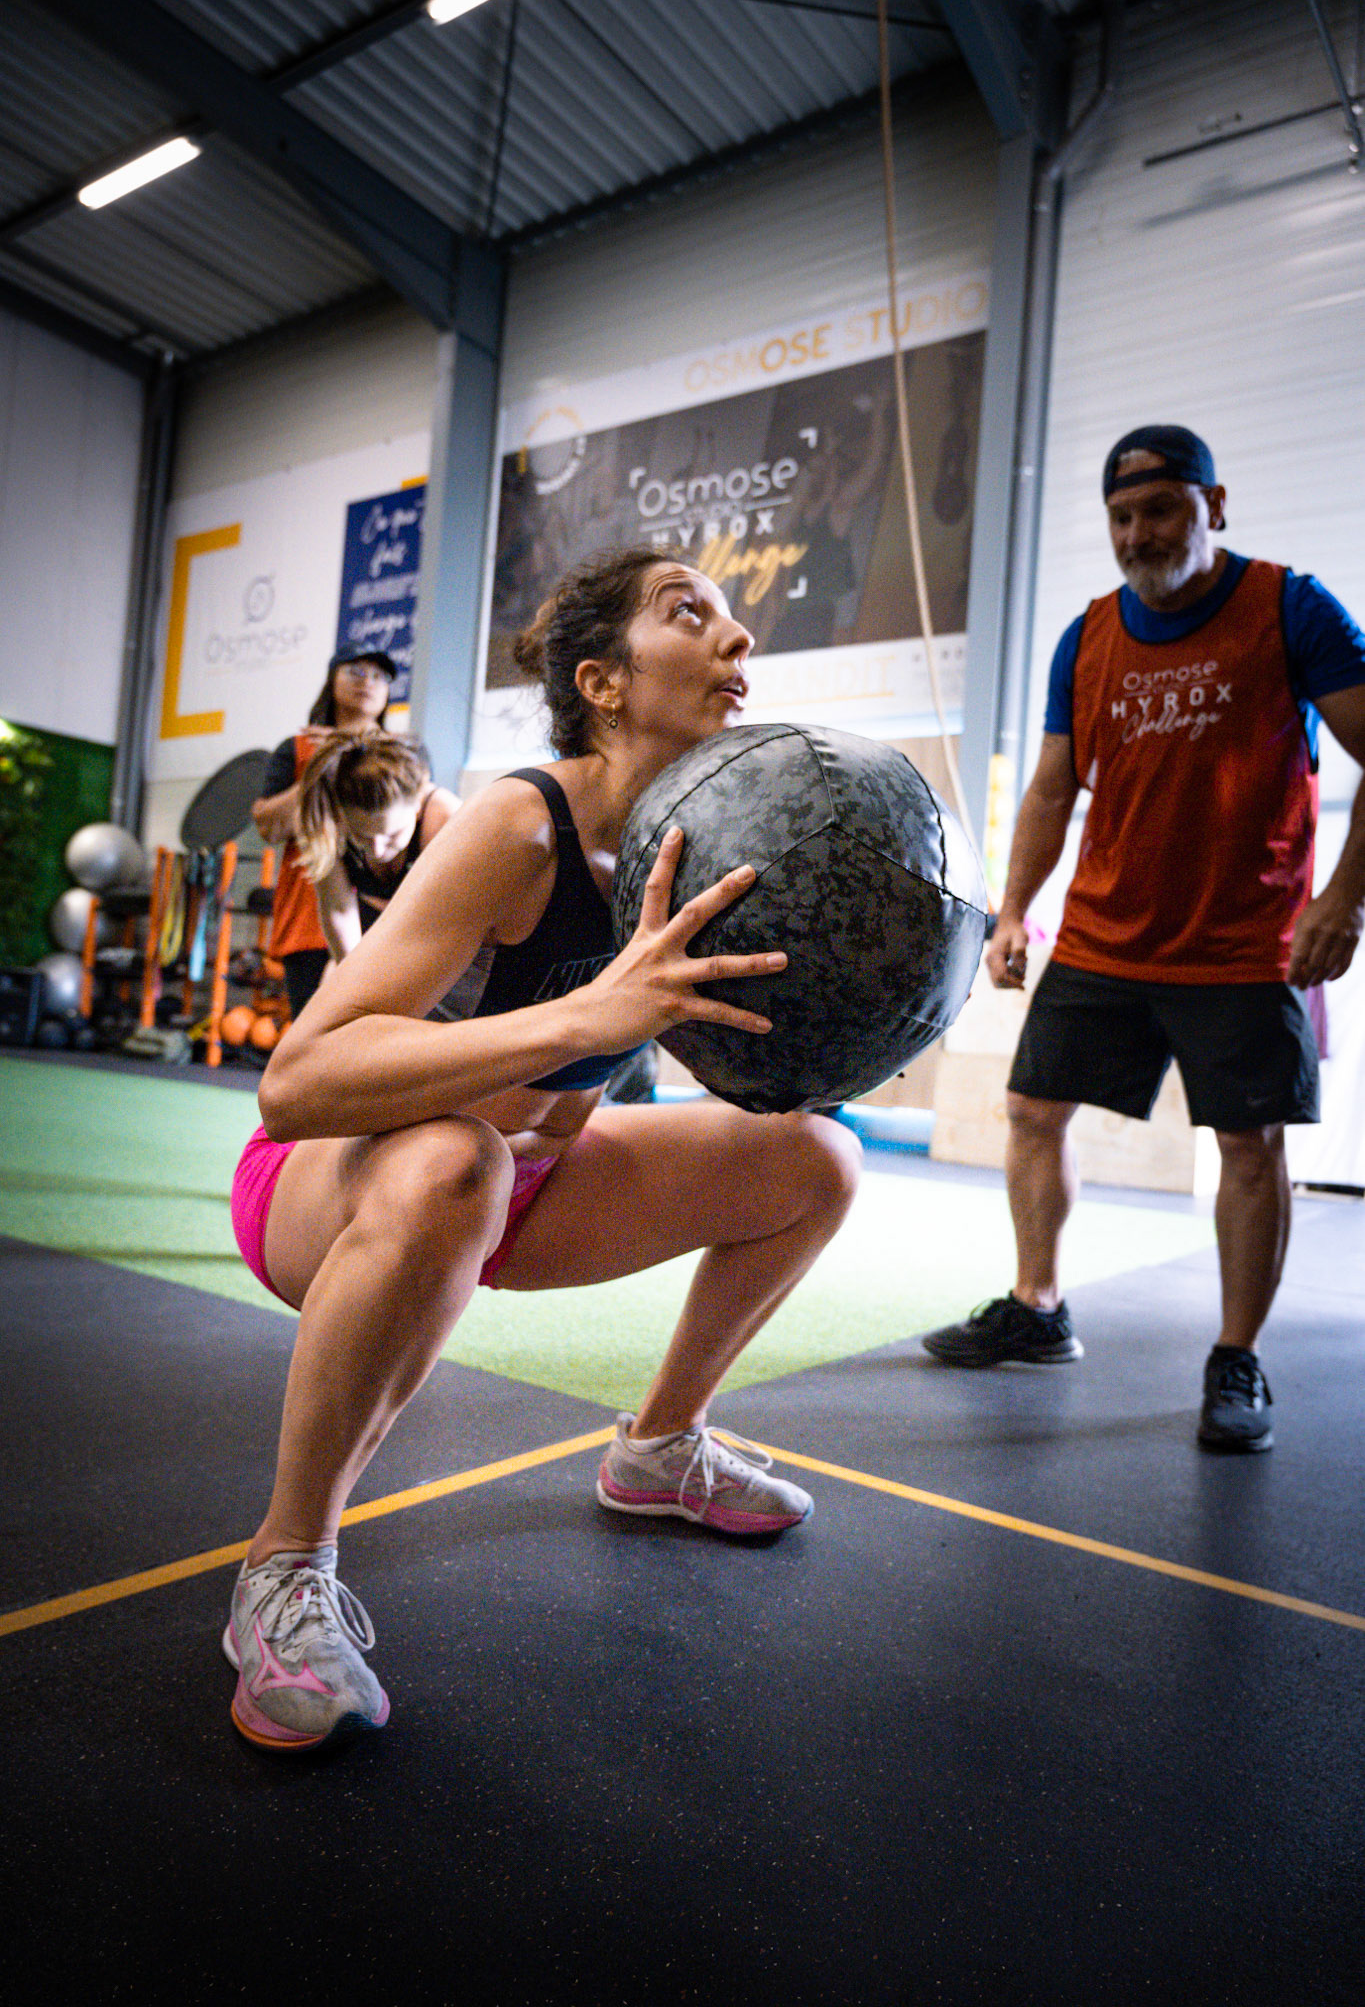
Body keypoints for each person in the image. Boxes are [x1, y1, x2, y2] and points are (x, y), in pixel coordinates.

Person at [224, 547, 862, 1751]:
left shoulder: (697, 846)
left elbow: (685, 1057)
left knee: (815, 1159)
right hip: (338, 1185)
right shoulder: (521, 825)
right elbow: (297, 1083)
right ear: (602, 681)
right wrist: (584, 1018)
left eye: (735, 620)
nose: (738, 639)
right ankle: (284, 1566)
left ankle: (660, 1445)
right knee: (456, 1158)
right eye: (690, 613)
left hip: (523, 1187)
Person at [924, 425, 1365, 1452]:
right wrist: (1012, 908)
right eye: (1121, 516)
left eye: (1160, 509)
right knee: (1032, 1110)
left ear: (1215, 505)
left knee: (1248, 1146)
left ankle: (1235, 1354)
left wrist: (1342, 899)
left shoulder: (1290, 607)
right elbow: (1050, 788)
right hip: (1105, 934)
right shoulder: (1085, 636)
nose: (1137, 534)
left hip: (1244, 941)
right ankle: (1037, 1307)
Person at [250, 641, 396, 1019]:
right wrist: (325, 764)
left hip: (387, 923)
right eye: (356, 671)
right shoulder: (298, 749)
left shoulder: (400, 754)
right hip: (311, 923)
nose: (368, 681)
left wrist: (361, 752)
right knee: (315, 1035)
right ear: (332, 680)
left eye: (379, 676)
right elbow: (269, 827)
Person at [294, 731, 459, 963]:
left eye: (392, 835)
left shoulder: (447, 820)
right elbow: (339, 911)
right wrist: (351, 976)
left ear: (417, 805)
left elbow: (453, 929)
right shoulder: (327, 824)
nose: (377, 851)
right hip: (376, 928)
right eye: (361, 836)